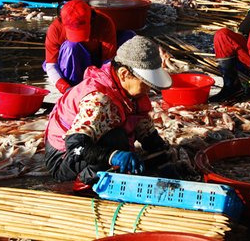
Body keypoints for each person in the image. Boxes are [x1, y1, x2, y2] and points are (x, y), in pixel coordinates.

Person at [44, 36, 174, 184]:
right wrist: (113, 155)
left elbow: (143, 127)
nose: (149, 89)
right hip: (65, 157)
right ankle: (85, 180)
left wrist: (162, 152)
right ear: (124, 74)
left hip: (89, 146)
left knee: (153, 154)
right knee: (116, 139)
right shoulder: (98, 100)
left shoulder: (133, 93)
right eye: (145, 83)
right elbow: (75, 145)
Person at [44, 0, 129, 94]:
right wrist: (66, 89)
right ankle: (74, 87)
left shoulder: (104, 23)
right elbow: (51, 65)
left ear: (91, 18)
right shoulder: (55, 29)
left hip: (95, 61)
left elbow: (108, 63)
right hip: (68, 63)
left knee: (129, 36)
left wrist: (102, 86)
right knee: (71, 46)